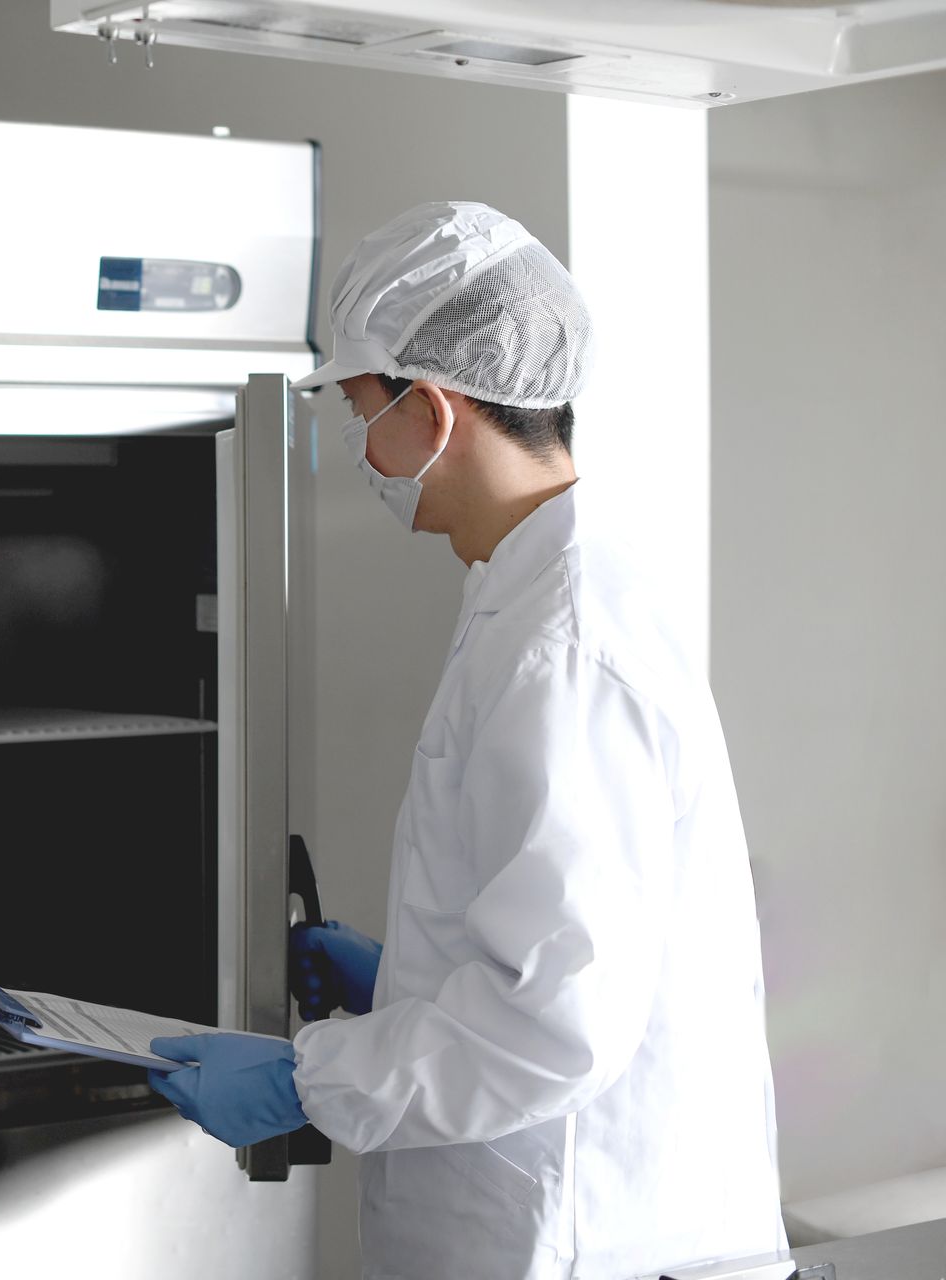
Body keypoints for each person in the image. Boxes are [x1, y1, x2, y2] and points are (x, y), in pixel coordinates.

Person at [147, 202, 787, 1278]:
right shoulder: (537, 597)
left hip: (580, 1239)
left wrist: (308, 1079)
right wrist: (409, 975)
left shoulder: (562, 649)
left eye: (360, 407)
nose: (358, 444)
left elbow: (557, 1024)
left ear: (433, 409)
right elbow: (570, 940)